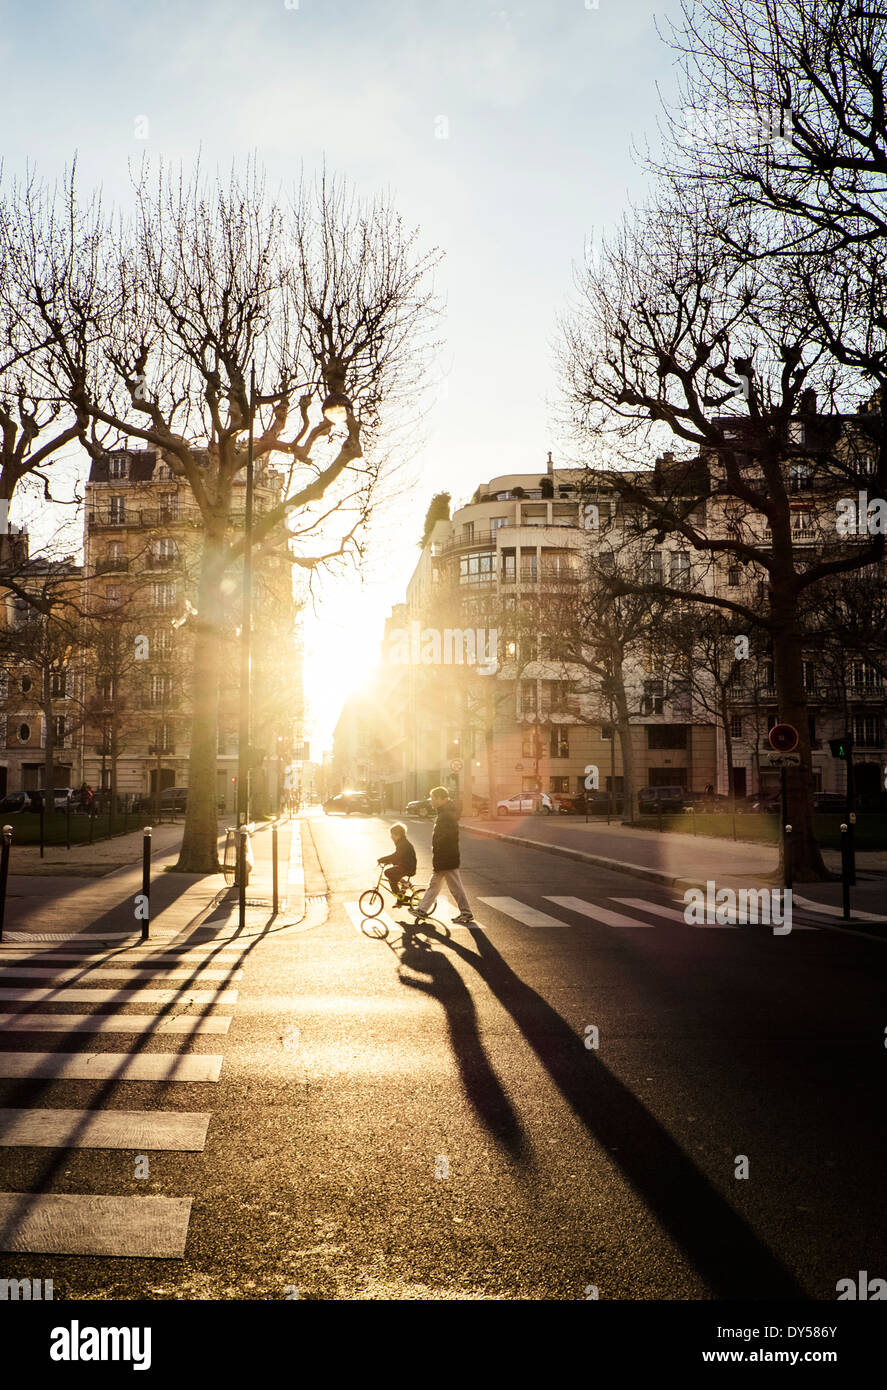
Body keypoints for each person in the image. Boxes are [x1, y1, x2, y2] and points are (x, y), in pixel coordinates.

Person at [409, 786, 476, 926]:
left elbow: (447, 837)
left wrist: (438, 850)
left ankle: (466, 912)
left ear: (443, 799)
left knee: (455, 887)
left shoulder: (446, 815)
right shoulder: (445, 813)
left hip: (446, 857)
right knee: (434, 885)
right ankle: (422, 909)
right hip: (444, 856)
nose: (431, 801)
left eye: (433, 798)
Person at [377, 822, 417, 900]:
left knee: (388, 873)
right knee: (392, 877)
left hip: (408, 867)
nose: (391, 837)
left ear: (398, 835)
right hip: (406, 866)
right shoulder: (401, 842)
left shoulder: (403, 844)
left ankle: (403, 887)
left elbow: (396, 856)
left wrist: (383, 859)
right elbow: (398, 857)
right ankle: (400, 897)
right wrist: (387, 861)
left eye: (392, 835)